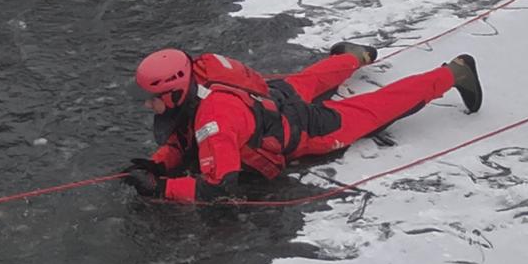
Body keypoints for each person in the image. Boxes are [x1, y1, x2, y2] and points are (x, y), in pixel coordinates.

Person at [123, 43, 482, 203]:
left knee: (376, 108)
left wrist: (161, 190)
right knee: (308, 81)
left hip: (302, 128)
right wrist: (159, 163)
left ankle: (455, 72)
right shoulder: (197, 81)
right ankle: (356, 55)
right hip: (269, 96)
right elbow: (185, 136)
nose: (147, 104)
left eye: (152, 98)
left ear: (173, 92)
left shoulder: (215, 122)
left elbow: (218, 186)